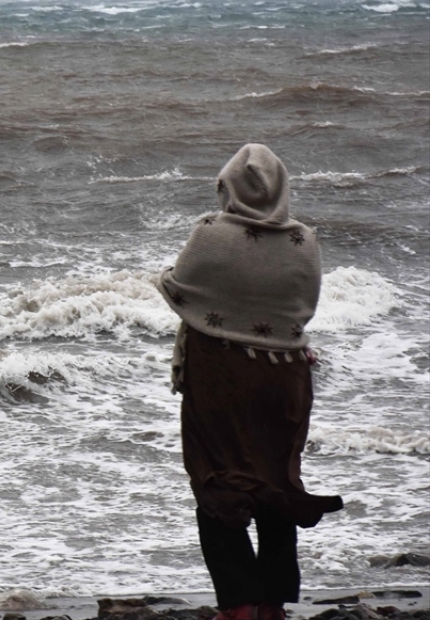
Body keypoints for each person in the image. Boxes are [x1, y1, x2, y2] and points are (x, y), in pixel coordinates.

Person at [156, 143, 343, 620]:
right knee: (278, 480)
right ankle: (273, 605)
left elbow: (178, 286)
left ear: (227, 187)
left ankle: (238, 604)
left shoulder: (211, 235)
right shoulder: (305, 239)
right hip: (287, 373)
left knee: (219, 480)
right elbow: (303, 306)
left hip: (220, 373)